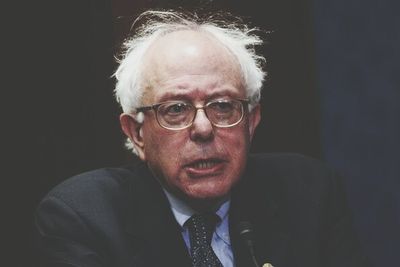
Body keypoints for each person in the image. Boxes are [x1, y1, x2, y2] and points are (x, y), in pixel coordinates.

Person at [35, 10, 371, 267]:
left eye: (223, 106)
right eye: (176, 109)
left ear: (251, 123)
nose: (203, 129)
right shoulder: (83, 218)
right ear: (136, 133)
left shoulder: (311, 194)